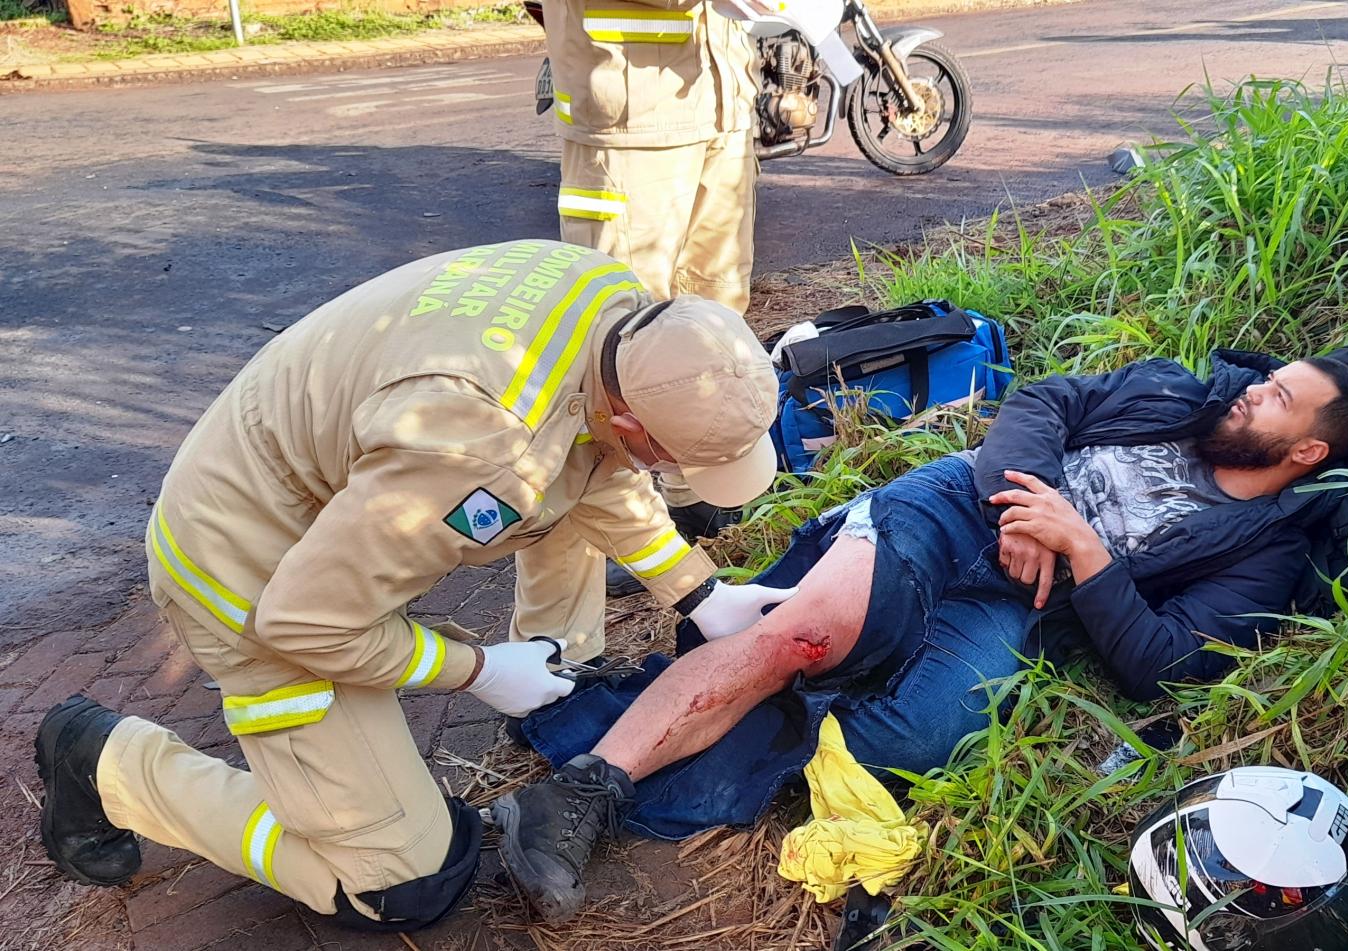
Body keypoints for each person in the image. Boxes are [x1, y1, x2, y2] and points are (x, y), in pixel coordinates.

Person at [31, 239, 796, 932]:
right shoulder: (484, 449)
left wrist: (700, 591)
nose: (665, 476)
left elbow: (590, 457)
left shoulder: (615, 307)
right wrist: (480, 669)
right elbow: (306, 623)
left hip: (336, 510)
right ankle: (110, 762)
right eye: (666, 459)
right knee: (404, 883)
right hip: (248, 573)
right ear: (630, 418)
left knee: (419, 796)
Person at [494, 349, 1348, 919]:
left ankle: (619, 705)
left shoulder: (1265, 552)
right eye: (1268, 379)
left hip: (1022, 602)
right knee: (811, 637)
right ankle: (585, 788)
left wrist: (1084, 547)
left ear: (1305, 453)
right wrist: (1023, 503)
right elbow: (1048, 397)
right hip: (959, 501)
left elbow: (1163, 662)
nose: (1252, 389)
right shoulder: (1182, 395)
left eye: (1278, 399)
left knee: (908, 739)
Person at [537, 0, 767, 596]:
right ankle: (631, 527)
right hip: (630, 112)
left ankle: (697, 495)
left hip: (719, 97)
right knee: (623, 351)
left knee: (715, 314)